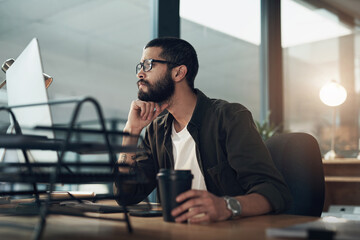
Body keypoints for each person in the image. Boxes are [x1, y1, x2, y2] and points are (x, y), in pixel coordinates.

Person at [115, 37, 292, 224]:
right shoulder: (156, 131)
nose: (140, 74)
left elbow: (274, 191)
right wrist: (131, 133)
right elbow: (127, 196)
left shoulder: (229, 118)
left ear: (179, 72)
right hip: (176, 233)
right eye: (140, 66)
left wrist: (226, 206)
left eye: (148, 64)